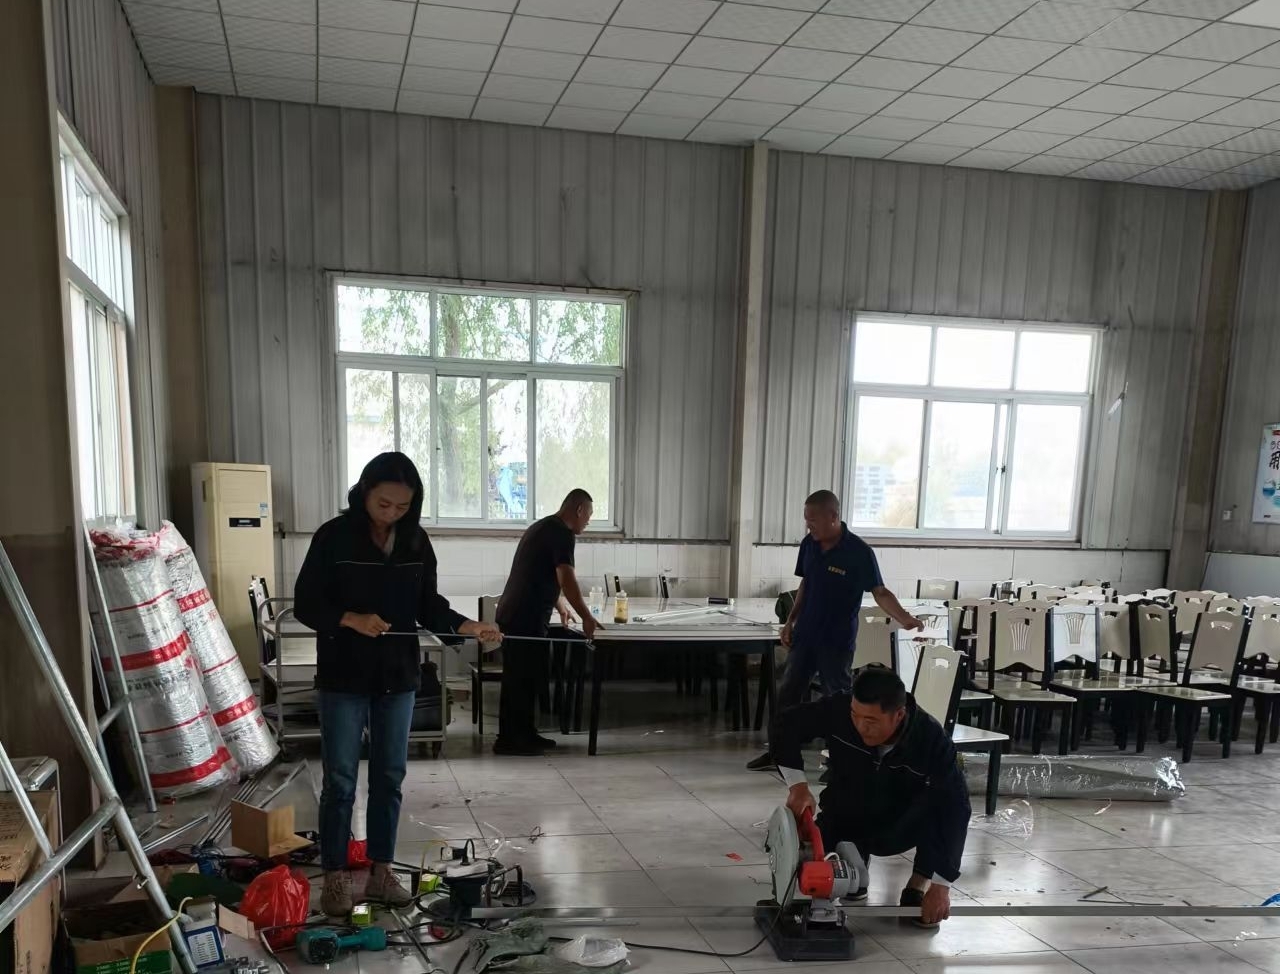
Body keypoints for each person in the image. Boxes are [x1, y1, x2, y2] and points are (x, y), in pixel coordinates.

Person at [294, 452, 500, 917]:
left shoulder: (415, 541)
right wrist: (350, 618)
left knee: (390, 777)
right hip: (345, 675)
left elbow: (428, 605)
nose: (391, 514)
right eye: (383, 504)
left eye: (402, 507)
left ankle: (381, 871)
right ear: (364, 492)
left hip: (397, 674)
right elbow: (307, 602)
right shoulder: (334, 536)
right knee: (341, 780)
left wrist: (468, 626)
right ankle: (336, 874)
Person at [773, 667, 969, 928]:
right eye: (855, 715)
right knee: (824, 871)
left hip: (902, 823)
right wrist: (797, 786)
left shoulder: (931, 740)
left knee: (936, 808)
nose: (860, 726)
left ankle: (918, 883)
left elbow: (956, 809)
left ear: (899, 715)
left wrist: (942, 885)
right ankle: (854, 867)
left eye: (871, 720)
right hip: (848, 809)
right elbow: (785, 724)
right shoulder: (839, 708)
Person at [747, 489, 922, 771]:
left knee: (840, 702)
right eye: (806, 519)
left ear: (833, 516)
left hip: (836, 642)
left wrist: (904, 617)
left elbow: (879, 591)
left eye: (813, 519)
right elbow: (805, 584)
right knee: (788, 696)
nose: (808, 525)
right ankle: (778, 754)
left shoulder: (859, 552)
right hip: (805, 637)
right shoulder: (809, 544)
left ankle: (841, 761)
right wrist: (790, 621)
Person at [494, 488, 601, 756]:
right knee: (519, 681)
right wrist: (587, 617)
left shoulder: (544, 527)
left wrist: (560, 604)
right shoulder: (562, 534)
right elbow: (566, 577)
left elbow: (540, 572)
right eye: (588, 516)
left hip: (519, 613)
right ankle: (509, 740)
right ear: (578, 510)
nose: (588, 522)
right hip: (523, 616)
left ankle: (526, 733)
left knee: (528, 678)